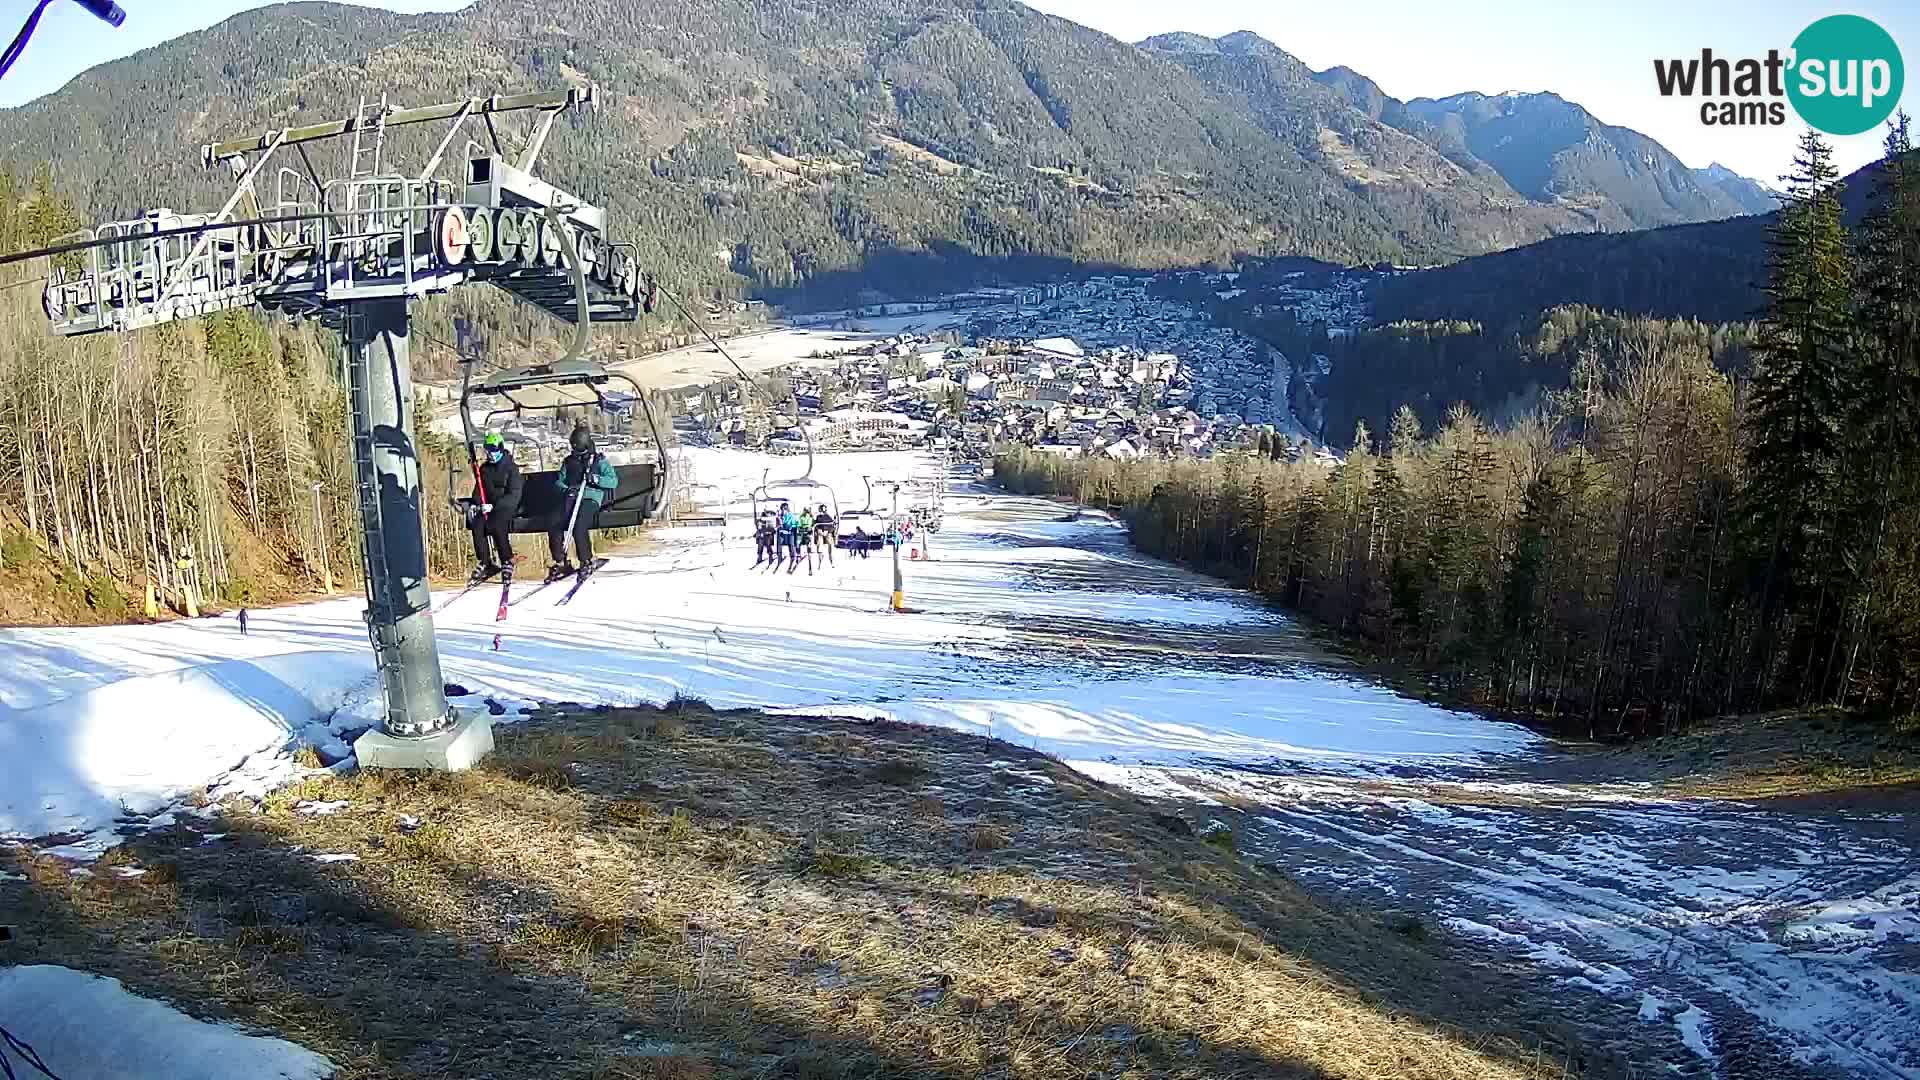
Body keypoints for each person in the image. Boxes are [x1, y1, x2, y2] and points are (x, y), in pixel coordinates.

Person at [547, 423, 618, 581]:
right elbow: (559, 481)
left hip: (589, 498)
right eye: (574, 449)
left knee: (579, 525)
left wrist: (595, 479)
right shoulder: (569, 462)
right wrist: (567, 489)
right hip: (571, 496)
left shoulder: (598, 461)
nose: (576, 453)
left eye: (578, 449)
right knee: (554, 523)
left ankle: (586, 560)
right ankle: (560, 560)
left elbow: (613, 481)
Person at [468, 431, 525, 583]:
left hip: (506, 506)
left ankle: (506, 559)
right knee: (478, 524)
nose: (491, 454)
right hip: (489, 507)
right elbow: (479, 491)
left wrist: (494, 506)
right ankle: (486, 562)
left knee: (497, 524)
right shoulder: (485, 469)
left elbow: (514, 494)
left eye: (494, 450)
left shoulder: (511, 468)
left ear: (500, 449)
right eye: (488, 451)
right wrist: (478, 504)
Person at [776, 500, 799, 566]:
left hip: (789, 532)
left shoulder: (790, 515)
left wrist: (790, 527)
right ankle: (779, 556)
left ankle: (792, 557)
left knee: (790, 544)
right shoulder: (780, 516)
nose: (783, 511)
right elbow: (778, 525)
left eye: (784, 509)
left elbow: (794, 524)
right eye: (782, 509)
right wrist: (780, 520)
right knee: (779, 543)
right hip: (782, 533)